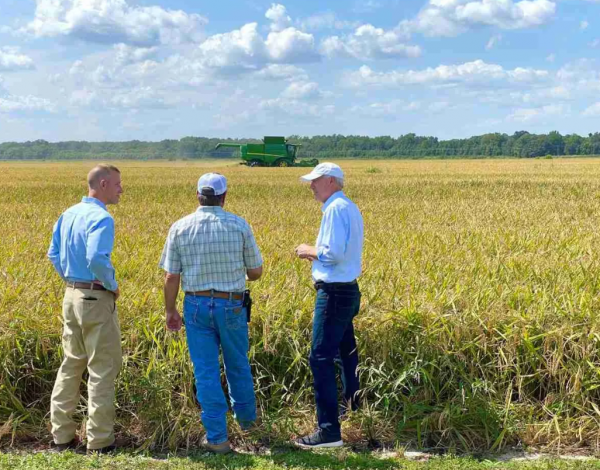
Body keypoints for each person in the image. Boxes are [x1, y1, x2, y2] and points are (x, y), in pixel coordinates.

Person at [159, 172, 263, 454]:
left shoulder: (180, 227)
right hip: (232, 304)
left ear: (197, 196)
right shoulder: (239, 225)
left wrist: (170, 310)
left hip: (196, 305)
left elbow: (171, 275)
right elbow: (255, 272)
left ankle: (217, 438)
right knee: (237, 365)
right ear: (224, 197)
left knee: (205, 371)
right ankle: (249, 428)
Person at [47, 164, 123, 454]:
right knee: (102, 368)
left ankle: (61, 437)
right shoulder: (101, 218)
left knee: (71, 365)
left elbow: (53, 253)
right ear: (103, 184)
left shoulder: (68, 214)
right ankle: (100, 441)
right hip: (95, 296)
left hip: (71, 295)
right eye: (117, 184)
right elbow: (95, 257)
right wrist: (111, 284)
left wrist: (70, 279)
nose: (121, 189)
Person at [294, 162, 364, 448]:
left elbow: (331, 254)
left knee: (320, 358)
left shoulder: (335, 209)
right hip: (348, 290)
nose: (311, 185)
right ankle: (355, 411)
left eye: (316, 181)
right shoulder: (349, 207)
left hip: (333, 292)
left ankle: (328, 432)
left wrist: (306, 250)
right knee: (346, 353)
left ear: (332, 182)